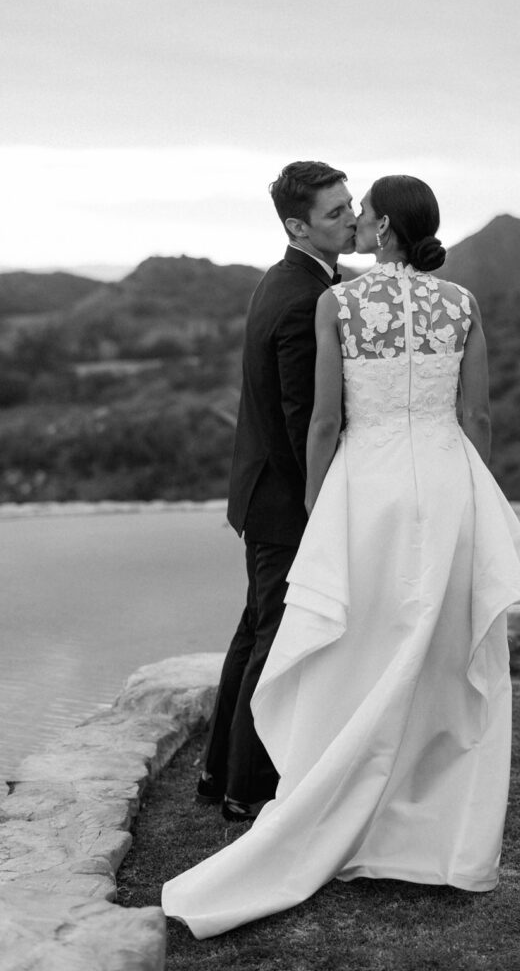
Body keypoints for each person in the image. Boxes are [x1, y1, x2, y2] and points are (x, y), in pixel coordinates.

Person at [164, 174, 520, 936]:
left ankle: (340, 802)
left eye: (364, 211)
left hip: (364, 493)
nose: (357, 220)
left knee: (359, 647)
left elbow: (325, 423)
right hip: (446, 488)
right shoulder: (462, 304)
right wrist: (476, 492)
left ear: (388, 229)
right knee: (443, 654)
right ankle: (438, 828)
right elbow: (476, 414)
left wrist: (315, 505)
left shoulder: (336, 303)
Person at [195, 160, 356, 820]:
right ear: (298, 224)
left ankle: (215, 774)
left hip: (259, 494)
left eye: (350, 205)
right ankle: (248, 790)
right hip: (284, 501)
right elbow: (299, 420)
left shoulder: (290, 279)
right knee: (272, 641)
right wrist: (322, 502)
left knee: (254, 630)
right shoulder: (301, 297)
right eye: (335, 212)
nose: (349, 218)